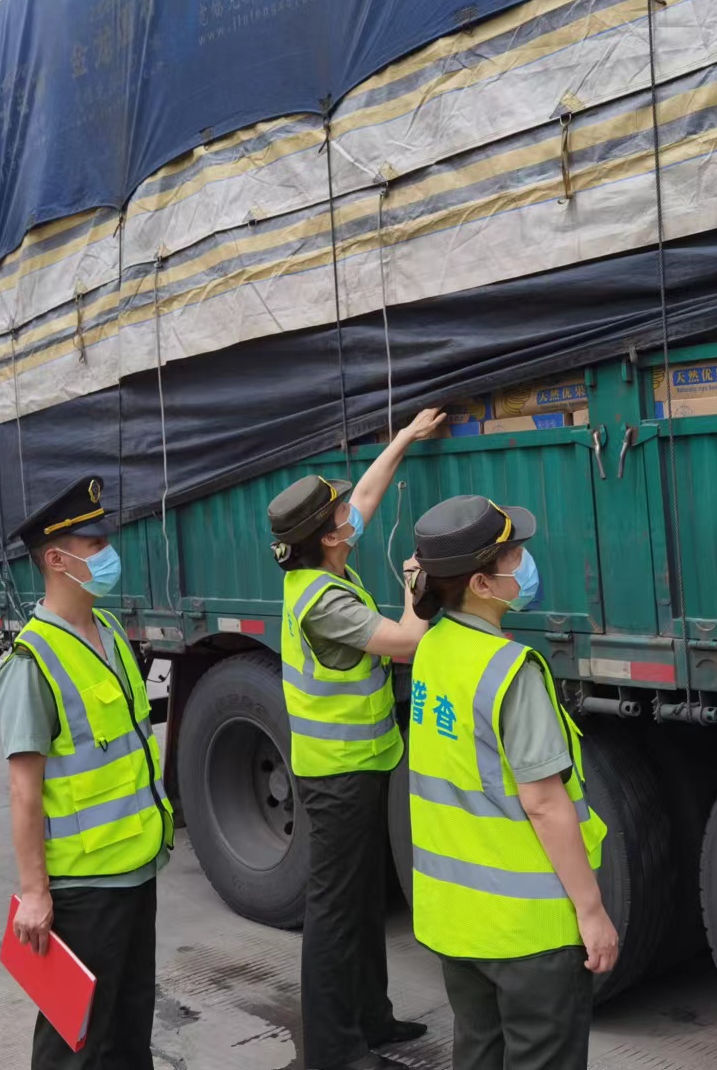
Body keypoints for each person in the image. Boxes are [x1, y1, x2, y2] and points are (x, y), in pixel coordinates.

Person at [405, 494, 617, 1070]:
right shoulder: (509, 671)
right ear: (480, 583)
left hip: (458, 922)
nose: (524, 565)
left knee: (479, 1054)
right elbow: (546, 806)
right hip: (529, 934)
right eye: (513, 557)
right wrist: (592, 911)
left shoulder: (433, 648)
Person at [266, 406, 444, 1070]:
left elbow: (366, 493)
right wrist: (413, 590)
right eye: (340, 516)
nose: (352, 516)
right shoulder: (325, 602)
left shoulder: (326, 566)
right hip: (336, 775)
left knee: (364, 902)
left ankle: (372, 1018)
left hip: (360, 765)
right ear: (327, 538)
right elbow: (406, 644)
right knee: (336, 913)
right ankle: (334, 1052)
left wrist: (403, 437)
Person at [0, 475, 173, 1070]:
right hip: (84, 886)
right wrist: (34, 892)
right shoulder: (31, 660)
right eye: (95, 548)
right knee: (77, 1041)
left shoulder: (111, 632)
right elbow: (24, 791)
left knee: (127, 1028)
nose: (108, 555)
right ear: (56, 559)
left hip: (134, 866)